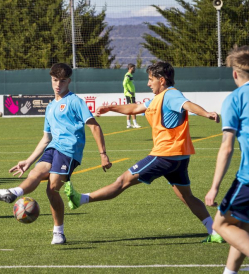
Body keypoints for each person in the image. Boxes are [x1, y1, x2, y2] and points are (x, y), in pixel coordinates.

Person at [65, 61, 224, 243]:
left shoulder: (171, 95)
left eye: (150, 80)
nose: (148, 84)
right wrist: (111, 108)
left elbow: (187, 105)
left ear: (162, 80)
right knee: (186, 196)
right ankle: (214, 232)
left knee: (122, 181)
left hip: (165, 155)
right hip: (179, 157)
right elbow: (135, 108)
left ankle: (81, 199)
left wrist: (207, 114)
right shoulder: (157, 98)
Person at [0, 63, 112, 244]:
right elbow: (46, 138)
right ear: (51, 80)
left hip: (69, 151)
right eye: (54, 80)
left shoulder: (75, 101)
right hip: (52, 148)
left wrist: (103, 154)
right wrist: (28, 161)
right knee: (35, 173)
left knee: (52, 188)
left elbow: (94, 126)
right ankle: (13, 192)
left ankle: (58, 232)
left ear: (69, 81)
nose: (57, 84)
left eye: (62, 81)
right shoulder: (51, 106)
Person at [205, 46, 249, 274]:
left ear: (234, 74)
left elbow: (226, 147)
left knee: (220, 224)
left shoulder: (235, 98)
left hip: (248, 177)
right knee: (242, 227)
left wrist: (214, 188)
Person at [123, 63, 141, 128]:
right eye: (134, 68)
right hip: (130, 94)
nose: (134, 69)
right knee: (133, 108)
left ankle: (128, 124)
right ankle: (135, 124)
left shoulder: (130, 75)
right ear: (130, 68)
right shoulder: (128, 75)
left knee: (129, 108)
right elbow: (124, 83)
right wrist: (129, 91)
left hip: (130, 94)